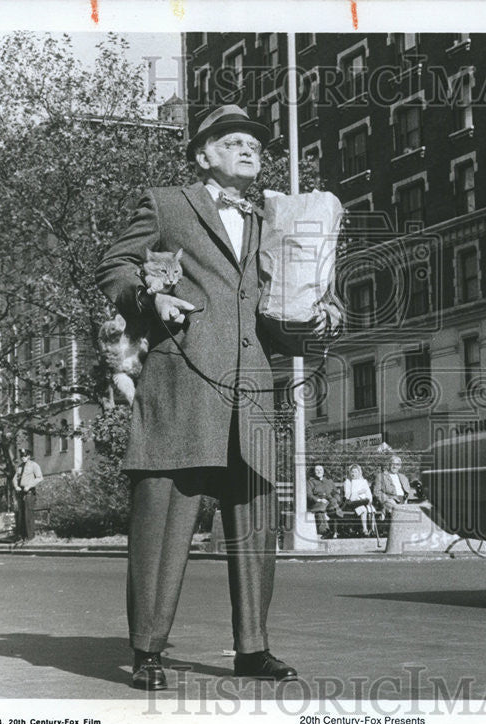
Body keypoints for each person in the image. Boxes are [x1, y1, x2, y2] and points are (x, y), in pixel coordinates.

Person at [96, 105, 321, 689]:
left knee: (254, 526)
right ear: (204, 155)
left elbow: (290, 290)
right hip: (182, 382)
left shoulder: (276, 216)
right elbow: (116, 264)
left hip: (250, 390)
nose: (250, 149)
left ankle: (252, 648)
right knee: (164, 521)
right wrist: (151, 302)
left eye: (254, 142)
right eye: (234, 141)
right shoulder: (167, 203)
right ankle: (147, 650)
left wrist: (323, 313)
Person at [12, 447, 43, 541]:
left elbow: (39, 478)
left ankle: (30, 537)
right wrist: (16, 486)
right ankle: (22, 536)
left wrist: (29, 486)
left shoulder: (34, 465)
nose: (23, 458)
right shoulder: (20, 467)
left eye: (24, 456)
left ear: (28, 456)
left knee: (28, 514)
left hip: (29, 492)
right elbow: (14, 478)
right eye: (21, 456)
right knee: (21, 515)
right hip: (21, 492)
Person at [306, 464, 342, 536]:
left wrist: (336, 499)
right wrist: (319, 500)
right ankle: (325, 531)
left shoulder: (329, 481)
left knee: (334, 507)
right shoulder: (310, 482)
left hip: (329, 502)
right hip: (317, 503)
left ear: (323, 471)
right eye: (317, 470)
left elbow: (334, 492)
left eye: (320, 470)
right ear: (314, 472)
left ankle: (335, 531)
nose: (319, 472)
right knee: (321, 509)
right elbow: (309, 495)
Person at [342, 464, 377, 537]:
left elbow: (368, 493)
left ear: (359, 473)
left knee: (371, 510)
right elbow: (348, 496)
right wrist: (358, 492)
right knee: (363, 510)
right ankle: (365, 529)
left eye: (355, 472)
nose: (353, 474)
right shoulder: (348, 482)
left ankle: (372, 529)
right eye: (352, 472)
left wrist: (370, 500)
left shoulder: (363, 481)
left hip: (364, 501)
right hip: (353, 503)